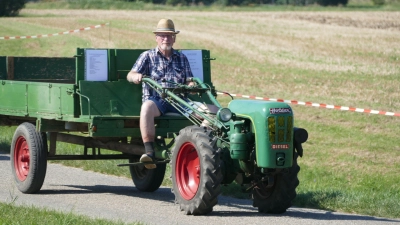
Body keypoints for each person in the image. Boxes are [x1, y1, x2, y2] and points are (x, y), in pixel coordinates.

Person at [127, 19, 195, 169]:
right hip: (157, 100)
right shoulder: (147, 56)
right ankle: (149, 152)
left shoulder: (182, 58)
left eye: (169, 36)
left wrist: (191, 85)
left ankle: (200, 150)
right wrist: (136, 76)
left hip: (179, 101)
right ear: (156, 37)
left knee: (209, 113)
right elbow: (130, 74)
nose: (166, 39)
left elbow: (189, 80)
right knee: (146, 108)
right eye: (162, 35)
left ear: (174, 38)